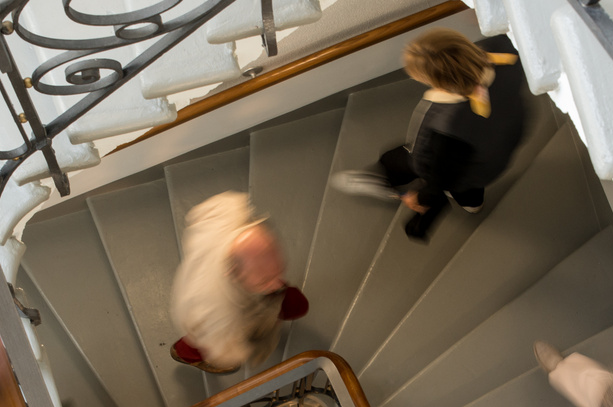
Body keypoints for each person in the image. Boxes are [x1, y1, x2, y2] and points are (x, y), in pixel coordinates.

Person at [331, 30, 528, 241]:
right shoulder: (506, 51)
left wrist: (422, 197)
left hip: (453, 160)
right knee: (471, 182)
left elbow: (439, 174)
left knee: (394, 160)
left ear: (437, 82)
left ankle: (381, 179)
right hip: (497, 150)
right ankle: (472, 203)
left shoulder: (446, 124)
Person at [169, 192, 308, 374]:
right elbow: (228, 353)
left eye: (279, 269)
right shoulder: (212, 312)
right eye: (264, 279)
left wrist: (265, 282)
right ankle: (185, 354)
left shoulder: (231, 213)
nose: (278, 284)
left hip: (243, 301)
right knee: (197, 343)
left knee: (296, 304)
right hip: (215, 321)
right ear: (232, 272)